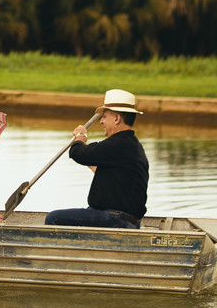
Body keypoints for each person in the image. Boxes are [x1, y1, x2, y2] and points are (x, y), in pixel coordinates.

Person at [45, 89, 149, 229]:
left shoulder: (118, 143)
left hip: (115, 219)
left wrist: (81, 137)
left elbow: (78, 153)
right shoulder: (131, 145)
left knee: (53, 218)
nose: (101, 121)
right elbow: (110, 174)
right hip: (124, 220)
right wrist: (89, 159)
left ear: (117, 118)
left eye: (104, 117)